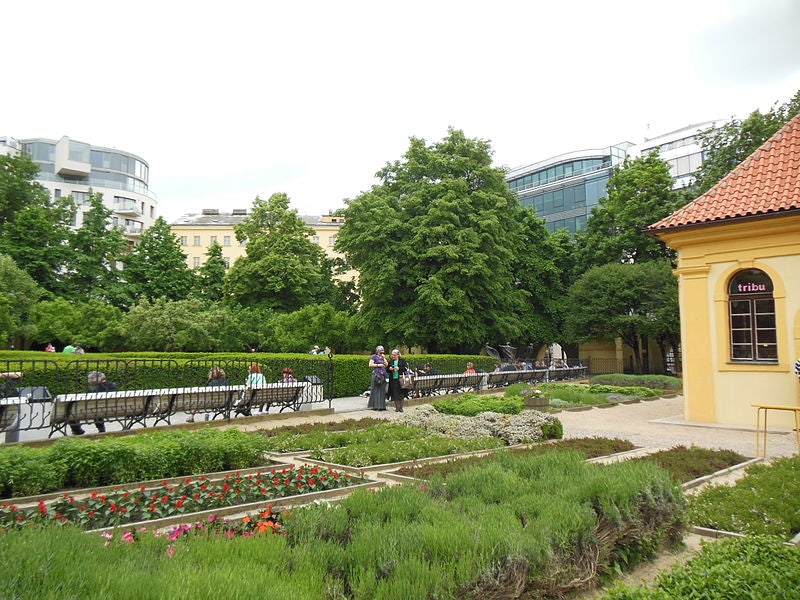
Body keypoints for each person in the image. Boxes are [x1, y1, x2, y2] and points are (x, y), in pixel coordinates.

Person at [367, 345, 388, 411]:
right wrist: (378, 365)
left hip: (383, 374)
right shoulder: (374, 356)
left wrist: (384, 358)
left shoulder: (382, 357)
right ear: (377, 351)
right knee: (375, 390)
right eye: (380, 352)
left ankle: (382, 406)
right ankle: (375, 406)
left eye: (382, 352)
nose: (381, 353)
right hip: (376, 374)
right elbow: (370, 364)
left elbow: (386, 364)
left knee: (382, 390)